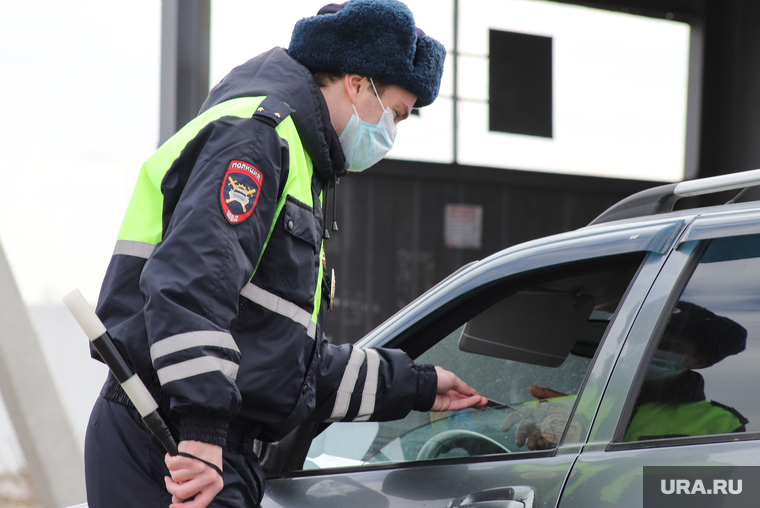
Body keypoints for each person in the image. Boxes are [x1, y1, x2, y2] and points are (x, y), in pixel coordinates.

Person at [84, 1, 486, 507]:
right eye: (395, 116)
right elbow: (191, 285)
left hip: (205, 444)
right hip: (171, 445)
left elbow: (287, 365)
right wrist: (203, 431)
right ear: (357, 83)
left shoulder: (298, 157)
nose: (391, 135)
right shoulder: (257, 137)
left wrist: (419, 386)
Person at [503, 301, 747, 449]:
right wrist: (541, 449)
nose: (649, 353)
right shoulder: (572, 406)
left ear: (698, 361)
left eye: (668, 347)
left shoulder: (721, 424)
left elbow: (724, 494)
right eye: (640, 341)